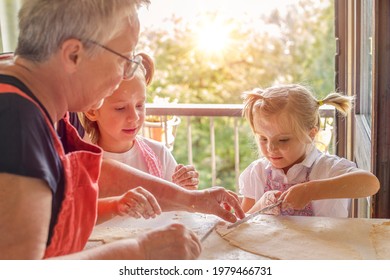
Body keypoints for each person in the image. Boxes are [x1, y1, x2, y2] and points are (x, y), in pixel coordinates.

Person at [0, 0, 244, 260]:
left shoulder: (51, 94)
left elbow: (93, 174)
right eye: (125, 60)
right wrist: (141, 251)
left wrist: (190, 198)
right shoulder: (15, 122)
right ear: (73, 55)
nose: (125, 73)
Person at [239, 84, 380, 217]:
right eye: (263, 139)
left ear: (311, 134)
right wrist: (262, 204)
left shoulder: (327, 168)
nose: (271, 148)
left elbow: (370, 184)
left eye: (283, 140)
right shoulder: (257, 173)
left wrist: (311, 191)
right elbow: (241, 224)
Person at [79, 53, 199, 190]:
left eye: (139, 105)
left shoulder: (159, 154)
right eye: (120, 108)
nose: (134, 117)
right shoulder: (84, 164)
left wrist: (186, 188)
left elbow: (181, 205)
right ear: (92, 111)